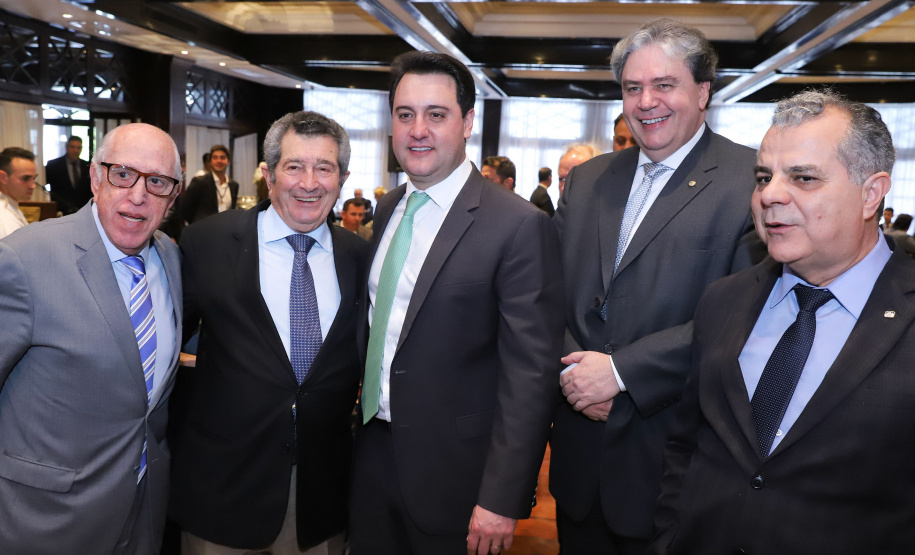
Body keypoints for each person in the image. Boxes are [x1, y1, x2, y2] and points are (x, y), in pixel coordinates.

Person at [650, 89, 915, 555]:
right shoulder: (724, 300)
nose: (769, 195)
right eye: (763, 176)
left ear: (871, 193)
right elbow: (687, 449)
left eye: (804, 177)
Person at [550, 18, 760, 554]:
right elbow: (547, 296)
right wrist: (577, 373)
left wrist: (620, 373)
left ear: (703, 92)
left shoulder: (749, 182)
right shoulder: (589, 180)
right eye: (632, 87)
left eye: (664, 85)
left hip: (669, 462)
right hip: (580, 459)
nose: (646, 102)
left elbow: (745, 317)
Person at [349, 51, 564, 555]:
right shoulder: (386, 209)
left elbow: (530, 376)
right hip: (371, 456)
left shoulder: (517, 226)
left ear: (467, 122)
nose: (417, 130)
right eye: (405, 115)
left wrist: (502, 497)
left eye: (436, 115)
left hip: (458, 479)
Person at [167, 111, 368, 555]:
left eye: (325, 168)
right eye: (294, 166)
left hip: (322, 498)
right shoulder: (208, 243)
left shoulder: (360, 257)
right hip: (222, 490)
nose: (309, 183)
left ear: (343, 177)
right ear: (267, 174)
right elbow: (165, 346)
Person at [0, 123, 183, 554]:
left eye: (157, 182)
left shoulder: (169, 257)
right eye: (123, 174)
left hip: (143, 509)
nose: (138, 195)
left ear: (173, 197)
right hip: (44, 518)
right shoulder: (24, 258)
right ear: (96, 177)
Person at [181, 144, 238, 224]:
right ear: (211, 161)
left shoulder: (234, 185)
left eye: (222, 157)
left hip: (226, 230)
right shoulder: (199, 182)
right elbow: (185, 209)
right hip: (203, 231)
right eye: (215, 158)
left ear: (228, 161)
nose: (219, 161)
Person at [45, 135, 92, 215]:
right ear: (67, 147)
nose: (75, 150)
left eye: (79, 148)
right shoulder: (53, 165)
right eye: (73, 147)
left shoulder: (87, 166)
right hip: (60, 212)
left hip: (82, 211)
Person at [0, 147, 38, 239]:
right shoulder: (3, 218)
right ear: (3, 177)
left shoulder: (11, 205)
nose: (33, 186)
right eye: (25, 178)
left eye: (34, 178)